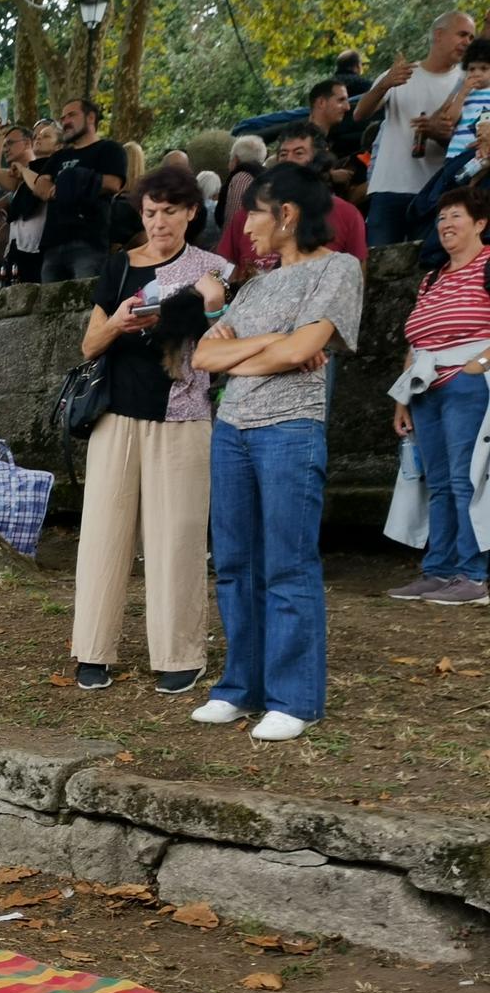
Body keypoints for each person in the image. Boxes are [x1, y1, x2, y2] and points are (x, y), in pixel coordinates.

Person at [190, 164, 364, 743]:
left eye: (253, 216)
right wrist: (276, 343)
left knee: (288, 564)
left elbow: (307, 349)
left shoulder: (339, 269)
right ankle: (241, 689)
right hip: (232, 430)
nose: (244, 229)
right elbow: (202, 361)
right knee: (236, 564)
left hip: (290, 430)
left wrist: (265, 350)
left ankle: (296, 698)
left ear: (286, 214)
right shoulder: (257, 286)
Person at [69, 166, 229, 696]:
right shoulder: (119, 268)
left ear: (190, 212)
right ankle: (92, 650)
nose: (159, 222)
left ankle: (179, 654)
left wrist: (205, 304)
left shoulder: (213, 268)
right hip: (115, 414)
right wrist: (119, 321)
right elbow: (89, 344)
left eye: (169, 211)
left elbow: (223, 338)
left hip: (183, 414)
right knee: (102, 537)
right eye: (150, 212)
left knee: (177, 537)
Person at [383, 188, 490, 604]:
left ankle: (472, 574)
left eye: (456, 216)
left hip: (468, 382)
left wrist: (478, 364)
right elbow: (416, 341)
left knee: (467, 479)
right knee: (439, 482)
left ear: (480, 223)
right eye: (441, 217)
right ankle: (439, 569)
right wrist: (402, 398)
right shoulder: (432, 278)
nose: (445, 224)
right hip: (425, 385)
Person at [354, 12, 476, 247]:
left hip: (436, 192)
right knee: (380, 264)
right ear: (438, 35)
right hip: (389, 187)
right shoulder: (402, 74)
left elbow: (465, 143)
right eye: (462, 34)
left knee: (425, 267)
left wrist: (440, 135)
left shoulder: (467, 82)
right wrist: (383, 85)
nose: (467, 42)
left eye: (471, 37)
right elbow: (360, 114)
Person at [216, 124, 368, 281]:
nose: (288, 161)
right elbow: (224, 267)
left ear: (320, 159)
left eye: (299, 153)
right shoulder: (252, 212)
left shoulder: (346, 214)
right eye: (283, 154)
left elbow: (357, 277)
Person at [14, 98, 127, 282]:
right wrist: (65, 188)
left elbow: (113, 183)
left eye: (71, 115)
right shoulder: (59, 156)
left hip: (89, 242)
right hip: (52, 244)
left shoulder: (109, 149)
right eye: (63, 117)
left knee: (85, 305)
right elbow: (41, 188)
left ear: (91, 118)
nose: (65, 121)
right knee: (50, 308)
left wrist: (75, 182)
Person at [0, 122, 47, 281]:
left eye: (10, 143)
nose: (6, 148)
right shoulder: (16, 177)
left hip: (40, 249)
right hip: (17, 248)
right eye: (4, 145)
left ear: (28, 142)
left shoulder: (45, 166)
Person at [434, 38, 490, 163]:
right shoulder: (464, 93)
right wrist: (462, 94)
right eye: (472, 69)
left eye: (484, 68)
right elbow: (450, 120)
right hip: (457, 153)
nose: (477, 73)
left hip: (484, 155)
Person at [218, 133, 268, 231]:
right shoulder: (267, 177)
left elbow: (233, 224)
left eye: (230, 159)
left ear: (236, 159)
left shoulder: (241, 178)